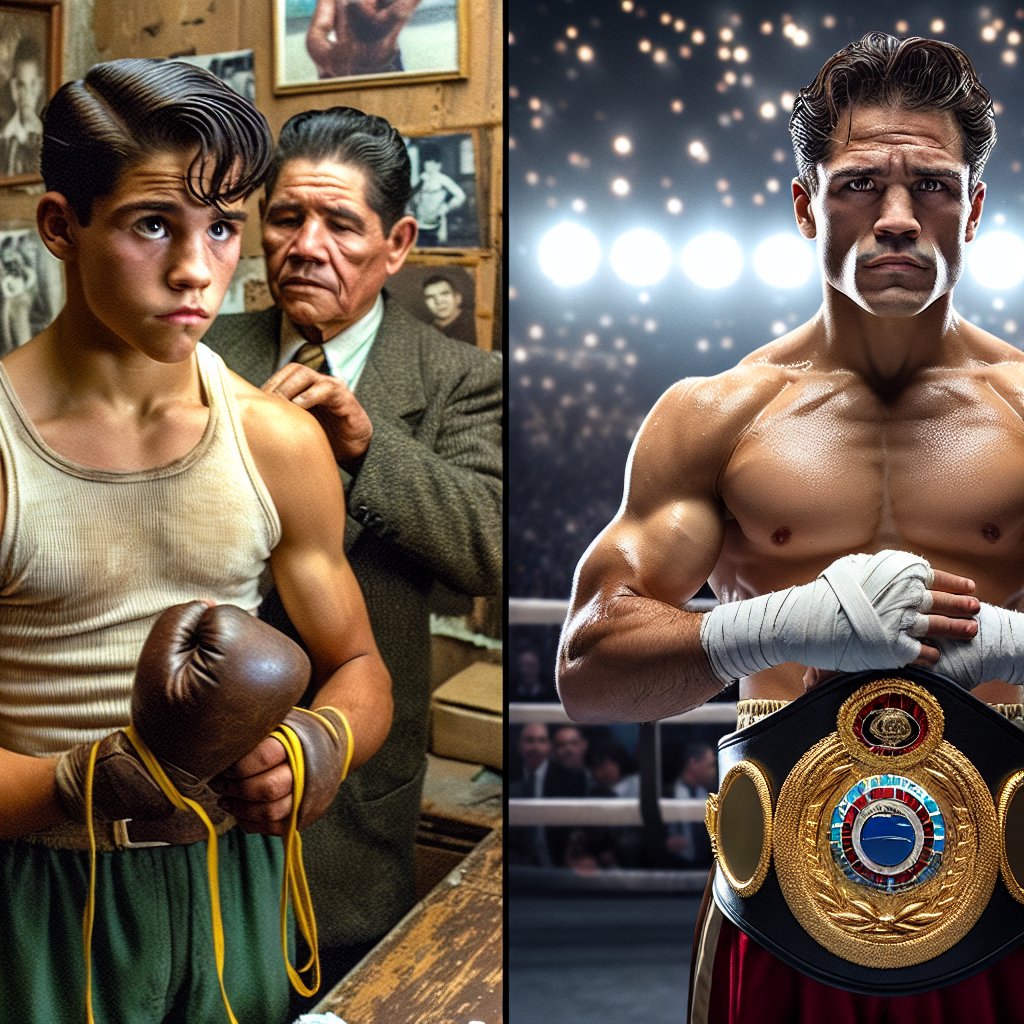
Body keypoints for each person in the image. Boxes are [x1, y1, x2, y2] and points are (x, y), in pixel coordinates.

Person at [557, 31, 1024, 1023]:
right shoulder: (713, 417)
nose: (897, 217)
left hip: (1006, 899)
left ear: (974, 207)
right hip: (777, 903)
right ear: (806, 203)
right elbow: (588, 666)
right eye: (859, 184)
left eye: (932, 186)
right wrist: (772, 627)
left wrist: (1010, 648)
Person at [0, 57, 392, 1023]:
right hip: (41, 890)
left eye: (220, 226)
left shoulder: (275, 439)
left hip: (234, 882)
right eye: (151, 223)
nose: (196, 267)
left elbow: (359, 666)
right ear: (62, 226)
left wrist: (319, 744)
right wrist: (78, 782)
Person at [202, 104, 502, 997]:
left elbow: (491, 546)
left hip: (349, 789)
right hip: (187, 773)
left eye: (340, 222)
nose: (306, 244)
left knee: (330, 991)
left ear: (397, 241)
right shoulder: (205, 350)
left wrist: (372, 447)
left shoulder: (461, 378)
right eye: (287, 218)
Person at [305, 0, 423, 78]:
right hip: (343, 69)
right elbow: (317, 31)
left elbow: (390, 17)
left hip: (386, 67)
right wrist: (328, 59)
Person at [1, 36, 43, 178]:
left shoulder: (46, 134)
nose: (26, 95)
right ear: (13, 87)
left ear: (39, 86)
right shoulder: (4, 134)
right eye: (20, 85)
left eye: (31, 85)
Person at [409, 143, 467, 246]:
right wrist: (415, 202)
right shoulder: (422, 179)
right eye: (427, 163)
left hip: (436, 225)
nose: (429, 166)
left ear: (439, 165)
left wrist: (446, 207)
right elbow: (412, 196)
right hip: (419, 224)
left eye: (433, 163)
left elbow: (461, 195)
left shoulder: (443, 179)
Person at [422, 272, 476, 344]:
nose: (439, 301)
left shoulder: (478, 323)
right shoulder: (425, 332)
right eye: (430, 297)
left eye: (444, 294)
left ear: (457, 298)